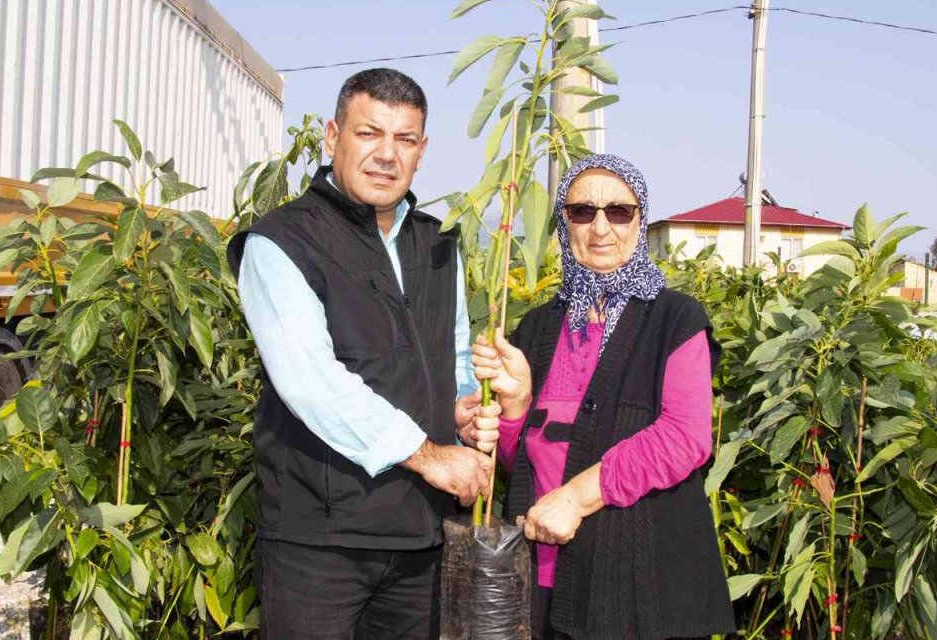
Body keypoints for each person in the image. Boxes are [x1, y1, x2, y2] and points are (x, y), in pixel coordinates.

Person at [226, 68, 493, 639]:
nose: (386, 155)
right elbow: (310, 380)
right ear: (333, 135)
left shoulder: (439, 243)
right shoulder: (281, 242)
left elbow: (454, 358)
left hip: (421, 533)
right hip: (321, 539)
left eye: (404, 139)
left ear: (422, 151)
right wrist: (430, 456)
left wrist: (465, 407)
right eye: (369, 133)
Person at [463, 154, 737, 639]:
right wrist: (513, 408)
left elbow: (685, 437)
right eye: (582, 211)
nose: (601, 228)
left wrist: (575, 497)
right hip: (543, 572)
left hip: (638, 585)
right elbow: (519, 462)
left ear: (640, 218)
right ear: (563, 223)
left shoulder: (675, 320)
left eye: (619, 211)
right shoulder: (539, 326)